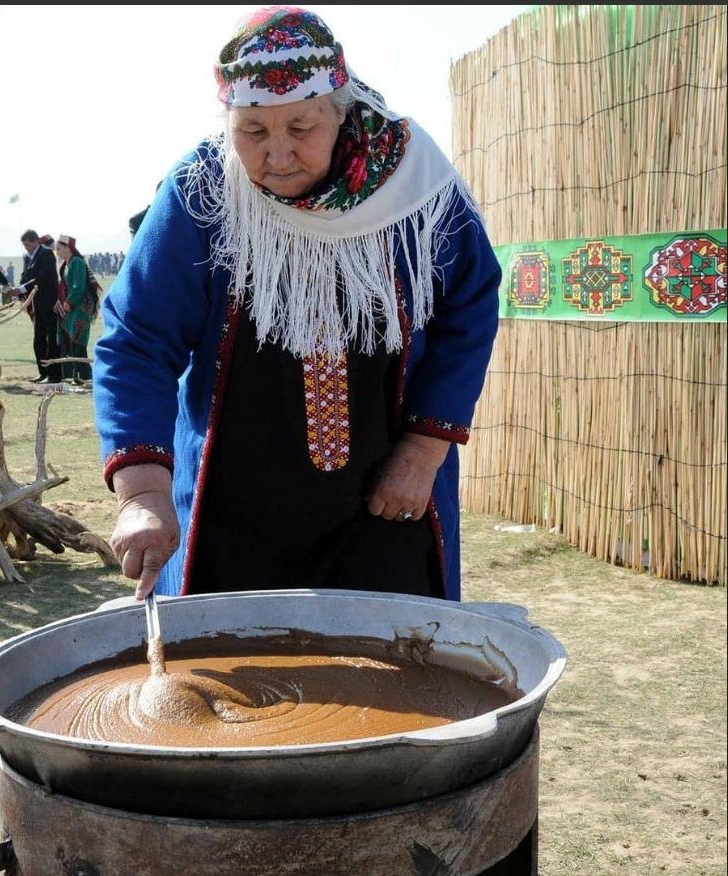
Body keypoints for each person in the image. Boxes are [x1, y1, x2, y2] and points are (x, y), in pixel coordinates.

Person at [93, 6, 501, 603]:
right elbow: (137, 340)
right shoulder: (205, 191)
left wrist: (421, 455)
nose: (277, 155)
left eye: (302, 128)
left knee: (395, 673)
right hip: (233, 515)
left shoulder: (418, 189)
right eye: (252, 131)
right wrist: (143, 493)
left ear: (341, 111)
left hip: (385, 509)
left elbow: (468, 307)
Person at [11, 229, 62, 384]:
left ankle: (53, 375)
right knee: (38, 339)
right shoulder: (27, 257)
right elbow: (26, 276)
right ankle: (42, 373)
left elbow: (42, 278)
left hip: (49, 303)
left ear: (35, 241)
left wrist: (21, 289)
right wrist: (16, 290)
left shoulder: (46, 254)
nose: (27, 248)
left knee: (51, 339)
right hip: (36, 304)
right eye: (24, 245)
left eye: (28, 244)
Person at [54, 234, 98, 384]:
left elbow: (78, 286)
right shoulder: (67, 264)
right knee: (73, 340)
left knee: (78, 340)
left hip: (81, 306)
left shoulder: (77, 263)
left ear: (68, 248)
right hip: (74, 306)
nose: (58, 253)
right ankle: (79, 375)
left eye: (59, 249)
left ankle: (82, 375)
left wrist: (69, 302)